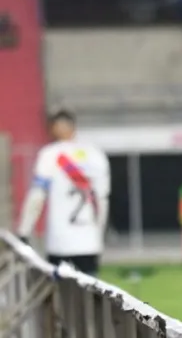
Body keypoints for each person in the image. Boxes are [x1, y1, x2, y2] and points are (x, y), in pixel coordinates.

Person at [16, 109, 111, 276]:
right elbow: (102, 200)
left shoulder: (50, 155)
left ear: (53, 128)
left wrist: (24, 232)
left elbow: (37, 197)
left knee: (60, 297)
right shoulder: (95, 155)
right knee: (89, 296)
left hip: (59, 240)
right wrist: (99, 235)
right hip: (88, 241)